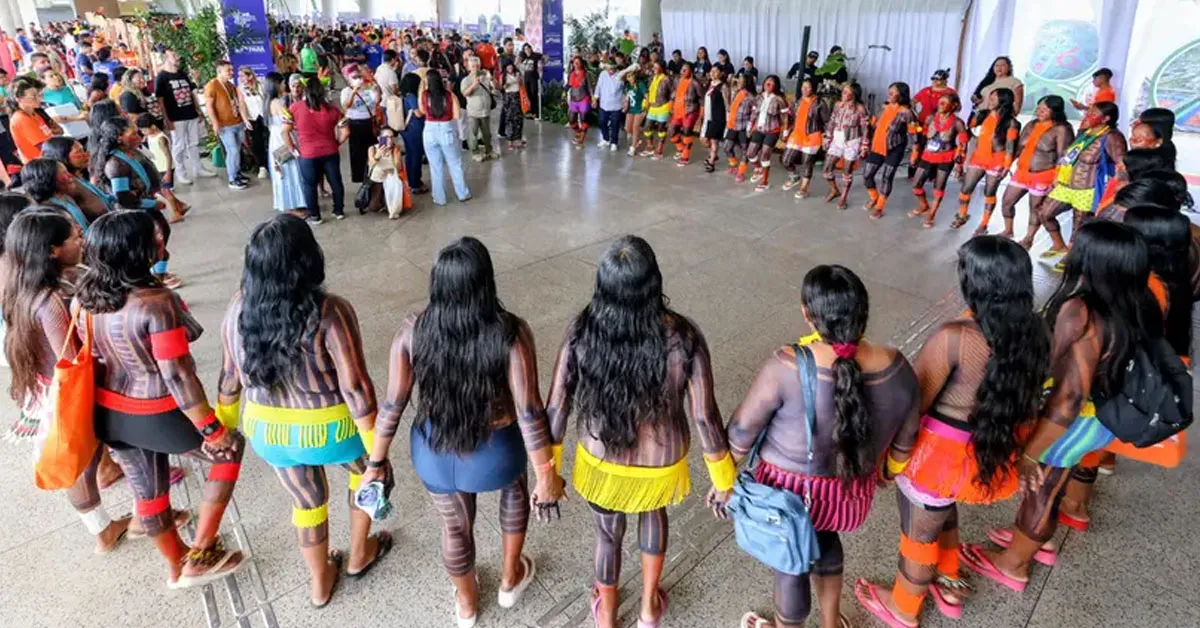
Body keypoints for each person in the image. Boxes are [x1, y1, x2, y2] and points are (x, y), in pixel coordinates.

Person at [364, 237, 565, 628]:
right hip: (498, 456)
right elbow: (528, 411)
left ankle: (468, 603)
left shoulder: (413, 331)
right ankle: (510, 578)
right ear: (487, 283)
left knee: (454, 526)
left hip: (436, 453)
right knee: (515, 490)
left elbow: (393, 404)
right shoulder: (511, 332)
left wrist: (375, 463)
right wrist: (547, 476)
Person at [853, 236, 1050, 628]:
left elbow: (915, 403)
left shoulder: (956, 338)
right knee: (943, 509)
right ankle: (950, 580)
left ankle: (904, 607)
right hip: (990, 452)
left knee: (917, 535)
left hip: (938, 459)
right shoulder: (1036, 331)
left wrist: (882, 457)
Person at [958, 221, 1164, 593]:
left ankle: (1015, 563)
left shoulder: (1080, 310)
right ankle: (1034, 537)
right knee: (1053, 486)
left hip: (1072, 422)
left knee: (1043, 490)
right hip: (1103, 415)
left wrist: (1031, 454)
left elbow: (1069, 397)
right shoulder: (1139, 300)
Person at [546, 236, 733, 628]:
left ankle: (608, 615)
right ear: (654, 282)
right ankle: (649, 607)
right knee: (653, 514)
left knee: (607, 535)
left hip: (602, 461)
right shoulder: (683, 337)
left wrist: (547, 475)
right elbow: (705, 417)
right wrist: (723, 480)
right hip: (660, 462)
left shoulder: (582, 330)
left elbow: (557, 406)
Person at [728, 264, 920, 628]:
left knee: (791, 560)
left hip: (788, 496)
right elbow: (905, 443)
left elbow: (740, 433)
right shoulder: (898, 367)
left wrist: (724, 481)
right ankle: (831, 623)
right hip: (847, 494)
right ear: (864, 313)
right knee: (825, 538)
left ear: (807, 315)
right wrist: (885, 475)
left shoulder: (787, 365)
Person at [216, 214, 391, 608]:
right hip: (334, 432)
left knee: (307, 503)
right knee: (362, 475)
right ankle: (360, 553)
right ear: (308, 259)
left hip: (269, 435)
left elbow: (228, 378)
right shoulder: (330, 312)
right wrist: (378, 454)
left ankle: (319, 582)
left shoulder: (237, 308)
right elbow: (357, 389)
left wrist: (221, 432)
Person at [76, 210, 247, 588]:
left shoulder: (83, 300)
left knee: (148, 492)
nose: (160, 242)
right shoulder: (156, 303)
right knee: (230, 450)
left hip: (109, 415)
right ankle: (202, 552)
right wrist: (211, 429)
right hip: (157, 411)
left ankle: (176, 565)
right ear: (135, 250)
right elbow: (177, 374)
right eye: (152, 238)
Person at [0, 209, 151, 553]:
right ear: (52, 250)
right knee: (80, 464)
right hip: (70, 392)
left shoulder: (29, 288)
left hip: (56, 388)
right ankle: (104, 532)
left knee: (88, 456)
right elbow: (72, 357)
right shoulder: (49, 302)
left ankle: (114, 515)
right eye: (74, 237)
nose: (81, 238)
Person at [1035, 102, 1127, 261]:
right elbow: (1068, 156)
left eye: (1093, 113)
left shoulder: (1112, 136)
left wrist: (1117, 189)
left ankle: (1072, 258)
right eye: (1088, 112)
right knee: (1044, 213)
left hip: (1086, 189)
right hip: (1065, 186)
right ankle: (1059, 245)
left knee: (1078, 227)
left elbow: (1122, 165)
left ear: (1106, 118)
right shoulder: (1086, 132)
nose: (1087, 116)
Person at [985, 95, 1073, 239]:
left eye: (1044, 109)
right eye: (1038, 108)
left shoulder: (1062, 129)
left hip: (1043, 175)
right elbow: (1018, 148)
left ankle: (1029, 238)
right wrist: (1006, 165)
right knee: (1007, 201)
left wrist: (1058, 179)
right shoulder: (1031, 124)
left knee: (1035, 209)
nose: (1039, 111)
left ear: (1055, 110)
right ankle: (1008, 230)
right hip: (1022, 173)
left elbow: (1063, 157)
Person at [953, 88, 1020, 230]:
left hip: (997, 161)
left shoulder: (1011, 123)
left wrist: (1007, 166)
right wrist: (960, 152)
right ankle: (962, 215)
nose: (990, 101)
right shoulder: (982, 115)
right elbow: (968, 133)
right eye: (990, 97)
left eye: (994, 98)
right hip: (979, 157)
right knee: (966, 188)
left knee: (989, 192)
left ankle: (984, 223)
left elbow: (1010, 146)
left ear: (1004, 101)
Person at [285, 73, 347, 225]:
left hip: (307, 154)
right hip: (330, 151)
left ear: (305, 91)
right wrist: (336, 143)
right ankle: (338, 211)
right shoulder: (334, 109)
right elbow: (346, 132)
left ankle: (315, 216)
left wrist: (293, 149)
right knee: (336, 182)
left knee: (309, 185)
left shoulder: (294, 108)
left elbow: (284, 130)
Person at [908, 93, 968, 227]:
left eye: (944, 102)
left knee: (939, 187)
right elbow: (922, 136)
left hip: (946, 157)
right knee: (916, 184)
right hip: (927, 155)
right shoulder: (930, 118)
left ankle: (932, 214)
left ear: (954, 105)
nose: (940, 105)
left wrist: (959, 164)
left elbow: (963, 144)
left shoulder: (957, 123)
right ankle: (924, 205)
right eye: (939, 102)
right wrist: (915, 151)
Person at [155, 49, 212, 185]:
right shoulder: (162, 77)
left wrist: (198, 111)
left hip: (190, 113)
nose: (177, 56)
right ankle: (181, 173)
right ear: (166, 58)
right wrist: (167, 119)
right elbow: (160, 100)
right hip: (176, 117)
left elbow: (192, 94)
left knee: (194, 143)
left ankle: (198, 168)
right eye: (174, 55)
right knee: (178, 146)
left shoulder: (182, 74)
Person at [861, 82, 915, 219]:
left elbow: (914, 133)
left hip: (894, 148)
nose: (889, 94)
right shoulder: (885, 108)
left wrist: (915, 152)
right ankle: (874, 197)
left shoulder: (906, 113)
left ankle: (879, 207)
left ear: (901, 95)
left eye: (893, 92)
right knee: (867, 174)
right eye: (889, 91)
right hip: (878, 146)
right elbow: (876, 124)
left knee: (887, 177)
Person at [418, 70, 470, 206]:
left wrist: (422, 86)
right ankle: (462, 194)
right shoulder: (449, 95)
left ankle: (440, 198)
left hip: (429, 130)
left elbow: (421, 111)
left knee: (435, 167)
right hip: (446, 129)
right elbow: (457, 115)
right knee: (455, 164)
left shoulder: (425, 95)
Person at [41, 136, 114, 220]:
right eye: (79, 152)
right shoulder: (69, 184)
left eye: (83, 150)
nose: (86, 155)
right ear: (63, 157)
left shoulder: (77, 176)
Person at [822, 81, 870, 209]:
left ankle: (843, 197)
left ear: (854, 94)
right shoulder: (838, 105)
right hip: (837, 139)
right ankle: (834, 190)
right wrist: (827, 137)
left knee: (847, 171)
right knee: (827, 169)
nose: (844, 93)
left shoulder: (860, 108)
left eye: (848, 91)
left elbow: (865, 128)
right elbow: (832, 121)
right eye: (844, 90)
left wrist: (864, 145)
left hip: (852, 141)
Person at [780, 77, 828, 196]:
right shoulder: (798, 101)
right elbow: (793, 118)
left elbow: (827, 121)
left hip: (812, 136)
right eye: (803, 87)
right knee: (785, 160)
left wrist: (827, 137)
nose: (804, 89)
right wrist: (786, 131)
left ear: (814, 89)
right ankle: (794, 177)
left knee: (807, 163)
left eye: (808, 87)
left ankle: (803, 188)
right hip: (797, 134)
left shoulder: (819, 103)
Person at [204, 61, 248, 191]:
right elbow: (209, 106)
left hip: (237, 122)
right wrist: (215, 123)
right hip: (224, 125)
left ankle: (237, 173)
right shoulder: (212, 86)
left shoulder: (230, 85)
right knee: (232, 150)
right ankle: (232, 179)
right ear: (220, 71)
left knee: (237, 150)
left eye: (231, 70)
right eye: (228, 70)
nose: (231, 73)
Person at [137, 114, 189, 222]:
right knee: (161, 191)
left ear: (152, 127)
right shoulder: (150, 135)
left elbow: (168, 156)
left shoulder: (160, 139)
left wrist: (168, 172)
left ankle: (176, 213)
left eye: (144, 130)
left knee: (166, 191)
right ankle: (181, 205)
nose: (143, 133)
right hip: (159, 168)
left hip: (165, 168)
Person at [742, 74, 788, 191]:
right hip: (759, 128)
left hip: (773, 130)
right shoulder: (758, 98)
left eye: (772, 82)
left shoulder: (779, 99)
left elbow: (784, 116)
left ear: (776, 85)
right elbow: (753, 114)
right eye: (767, 81)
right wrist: (749, 127)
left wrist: (785, 131)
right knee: (750, 153)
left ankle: (765, 181)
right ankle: (758, 169)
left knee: (765, 154)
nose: (768, 84)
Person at [909, 69, 956, 179]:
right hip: (923, 122)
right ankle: (914, 172)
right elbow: (913, 101)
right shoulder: (926, 90)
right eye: (933, 79)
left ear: (945, 80)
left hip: (940, 125)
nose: (935, 81)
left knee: (936, 148)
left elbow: (957, 107)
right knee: (919, 146)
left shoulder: (950, 92)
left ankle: (932, 174)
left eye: (938, 79)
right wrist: (914, 113)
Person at [340, 63, 382, 184]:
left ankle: (373, 173)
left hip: (370, 122)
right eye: (354, 77)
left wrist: (376, 88)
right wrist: (354, 91)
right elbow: (346, 106)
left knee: (373, 149)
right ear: (348, 79)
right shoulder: (346, 91)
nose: (358, 79)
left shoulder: (369, 88)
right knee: (357, 152)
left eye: (359, 76)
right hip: (355, 124)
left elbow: (377, 101)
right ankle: (359, 176)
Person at [21, 158, 90, 229]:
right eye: (64, 173)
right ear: (48, 179)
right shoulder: (49, 212)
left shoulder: (66, 198)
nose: (70, 176)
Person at [9, 77, 61, 163]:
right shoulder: (21, 119)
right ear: (19, 99)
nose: (39, 99)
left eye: (38, 95)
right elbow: (44, 147)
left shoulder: (34, 114)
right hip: (42, 164)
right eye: (33, 97)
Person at [365, 127, 410, 218]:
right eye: (386, 137)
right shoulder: (372, 148)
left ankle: (390, 205)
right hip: (377, 179)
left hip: (390, 178)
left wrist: (395, 160)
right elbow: (371, 163)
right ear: (379, 138)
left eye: (391, 137)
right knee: (374, 207)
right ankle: (381, 199)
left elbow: (398, 167)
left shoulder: (395, 149)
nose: (389, 140)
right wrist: (378, 155)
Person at [460, 55, 498, 161]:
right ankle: (475, 152)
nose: (475, 68)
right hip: (473, 112)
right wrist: (473, 85)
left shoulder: (485, 77)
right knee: (473, 134)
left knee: (487, 133)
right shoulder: (466, 80)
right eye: (473, 66)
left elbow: (496, 88)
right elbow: (464, 93)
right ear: (469, 67)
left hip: (486, 111)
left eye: (477, 65)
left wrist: (492, 78)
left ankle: (489, 150)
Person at [667, 62, 705, 166]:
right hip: (678, 110)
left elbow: (702, 99)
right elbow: (673, 93)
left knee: (687, 133)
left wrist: (700, 116)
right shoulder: (677, 80)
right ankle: (681, 148)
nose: (682, 72)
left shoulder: (695, 83)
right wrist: (670, 105)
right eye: (681, 70)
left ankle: (685, 156)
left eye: (685, 70)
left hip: (690, 111)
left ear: (691, 71)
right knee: (671, 132)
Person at [595, 59, 635, 151]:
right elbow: (598, 86)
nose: (611, 70)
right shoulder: (602, 74)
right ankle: (606, 139)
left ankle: (614, 142)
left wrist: (626, 102)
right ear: (607, 68)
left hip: (616, 104)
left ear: (615, 68)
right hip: (604, 104)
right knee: (601, 122)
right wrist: (595, 98)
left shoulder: (620, 75)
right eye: (609, 68)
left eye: (613, 68)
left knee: (615, 124)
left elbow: (625, 89)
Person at [236, 67, 268, 180]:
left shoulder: (261, 84)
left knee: (269, 139)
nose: (240, 78)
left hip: (265, 116)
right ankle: (262, 166)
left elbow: (267, 99)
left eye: (243, 76)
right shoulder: (240, 89)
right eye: (239, 76)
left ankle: (274, 163)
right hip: (252, 118)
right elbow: (242, 105)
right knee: (256, 143)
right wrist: (245, 120)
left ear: (250, 75)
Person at [398, 73, 428, 194]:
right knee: (416, 155)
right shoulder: (412, 97)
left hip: (406, 129)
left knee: (410, 155)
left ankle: (411, 180)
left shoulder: (403, 95)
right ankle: (415, 182)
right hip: (414, 128)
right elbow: (418, 113)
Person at [723, 73, 755, 177]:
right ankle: (733, 165)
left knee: (744, 150)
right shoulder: (736, 92)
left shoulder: (751, 97)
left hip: (744, 127)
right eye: (739, 80)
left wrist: (751, 127)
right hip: (733, 125)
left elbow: (754, 114)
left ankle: (741, 171)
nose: (739, 82)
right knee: (726, 147)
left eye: (742, 80)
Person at [699, 65, 730, 173]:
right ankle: (714, 155)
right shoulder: (709, 84)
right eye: (711, 71)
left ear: (721, 73)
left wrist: (728, 119)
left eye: (715, 71)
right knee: (703, 139)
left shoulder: (723, 86)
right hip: (708, 116)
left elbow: (727, 104)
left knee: (713, 141)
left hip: (717, 117)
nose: (712, 73)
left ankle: (711, 161)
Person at [642, 61, 673, 159]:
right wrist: (645, 102)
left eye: (656, 66)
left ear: (662, 68)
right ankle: (650, 147)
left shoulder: (666, 79)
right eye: (653, 67)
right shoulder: (652, 78)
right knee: (647, 127)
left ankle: (659, 150)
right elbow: (648, 91)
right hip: (652, 107)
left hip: (663, 107)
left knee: (661, 130)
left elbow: (673, 92)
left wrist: (670, 106)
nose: (654, 68)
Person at [498, 61, 525, 150]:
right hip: (508, 98)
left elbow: (522, 85)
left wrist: (519, 80)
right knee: (509, 119)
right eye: (508, 67)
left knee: (519, 119)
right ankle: (510, 141)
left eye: (511, 67)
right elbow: (501, 88)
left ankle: (518, 139)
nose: (510, 69)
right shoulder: (503, 76)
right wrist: (507, 84)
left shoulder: (517, 74)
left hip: (518, 97)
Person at [566, 56, 592, 146]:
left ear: (581, 63)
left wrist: (593, 99)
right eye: (574, 62)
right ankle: (579, 132)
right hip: (573, 99)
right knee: (571, 119)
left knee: (584, 119)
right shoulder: (571, 73)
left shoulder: (586, 74)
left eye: (578, 62)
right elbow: (568, 85)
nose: (576, 64)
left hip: (584, 99)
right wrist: (564, 91)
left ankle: (581, 139)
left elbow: (590, 87)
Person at [518, 44, 540, 120]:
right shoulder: (523, 57)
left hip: (533, 77)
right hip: (526, 78)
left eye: (528, 48)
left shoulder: (535, 56)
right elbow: (516, 63)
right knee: (528, 95)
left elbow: (545, 58)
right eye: (525, 49)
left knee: (534, 94)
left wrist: (541, 65)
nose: (527, 50)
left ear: (531, 48)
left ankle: (536, 112)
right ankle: (531, 112)